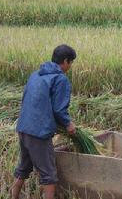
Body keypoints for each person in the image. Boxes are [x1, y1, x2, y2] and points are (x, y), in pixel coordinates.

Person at [11, 44, 77, 199]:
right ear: (65, 61)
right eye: (71, 62)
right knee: (49, 175)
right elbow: (59, 110)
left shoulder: (36, 74)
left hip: (23, 127)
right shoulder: (60, 79)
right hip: (38, 132)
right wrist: (69, 124)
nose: (71, 66)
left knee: (23, 168)